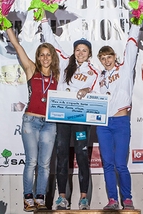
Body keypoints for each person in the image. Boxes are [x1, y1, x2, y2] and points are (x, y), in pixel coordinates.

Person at [40, 18, 100, 210]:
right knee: (62, 154)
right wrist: (43, 19)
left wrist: (88, 92)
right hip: (62, 116)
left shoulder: (94, 72)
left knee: (82, 154)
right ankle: (62, 197)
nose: (80, 53)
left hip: (81, 118)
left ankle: (83, 198)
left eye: (84, 50)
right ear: (74, 51)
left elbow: (99, 95)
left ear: (89, 53)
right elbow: (51, 40)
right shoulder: (65, 62)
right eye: (78, 49)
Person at [6, 27, 60, 212]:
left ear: (53, 57)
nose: (45, 58)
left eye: (48, 55)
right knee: (32, 161)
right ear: (38, 57)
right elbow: (16, 45)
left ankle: (40, 197)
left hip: (50, 123)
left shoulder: (57, 76)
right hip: (31, 121)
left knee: (45, 164)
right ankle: (27, 196)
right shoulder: (31, 69)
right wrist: (5, 23)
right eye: (42, 55)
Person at [96, 23, 141, 210]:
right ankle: (112, 200)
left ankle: (127, 199)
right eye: (103, 58)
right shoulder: (98, 77)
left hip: (121, 121)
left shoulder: (124, 69)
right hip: (103, 124)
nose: (107, 61)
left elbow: (131, 44)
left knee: (120, 164)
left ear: (115, 57)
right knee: (107, 164)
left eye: (109, 57)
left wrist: (138, 20)